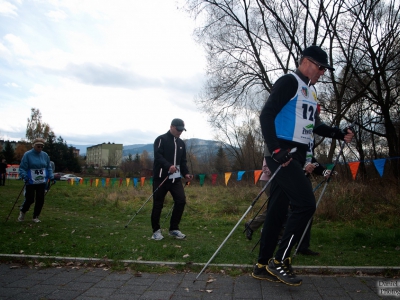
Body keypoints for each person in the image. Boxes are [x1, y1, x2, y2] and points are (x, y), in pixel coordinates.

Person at [253, 45, 354, 286]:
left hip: (297, 155)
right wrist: (276, 150)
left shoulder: (311, 92)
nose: (322, 73)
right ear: (306, 62)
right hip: (283, 153)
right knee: (306, 204)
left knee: (277, 210)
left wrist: (339, 133)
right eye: (321, 67)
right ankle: (280, 261)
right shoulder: (289, 81)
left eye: (325, 69)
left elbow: (315, 126)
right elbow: (266, 115)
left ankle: (261, 265)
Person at [245, 155, 334, 257]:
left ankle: (300, 245)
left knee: (302, 210)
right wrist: (291, 168)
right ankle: (276, 238)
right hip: (275, 181)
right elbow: (268, 168)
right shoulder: (275, 147)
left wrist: (323, 171)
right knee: (281, 209)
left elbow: (310, 159)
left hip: (296, 180)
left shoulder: (303, 146)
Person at [150, 118, 193, 240]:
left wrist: (186, 174)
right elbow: (158, 156)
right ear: (171, 127)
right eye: (178, 129)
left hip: (175, 180)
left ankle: (174, 229)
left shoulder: (181, 143)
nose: (180, 132)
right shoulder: (161, 139)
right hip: (161, 178)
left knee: (181, 201)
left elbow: (183, 161)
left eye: (182, 130)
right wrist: (168, 166)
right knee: (158, 204)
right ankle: (156, 231)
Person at [18, 138, 55, 223]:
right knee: (30, 199)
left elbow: (48, 167)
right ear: (34, 146)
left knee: (40, 199)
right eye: (38, 146)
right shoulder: (28, 155)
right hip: (30, 180)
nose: (40, 148)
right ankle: (23, 212)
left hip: (42, 181)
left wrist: (51, 177)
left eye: (41, 146)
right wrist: (24, 175)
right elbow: (22, 167)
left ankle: (35, 216)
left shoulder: (45, 155)